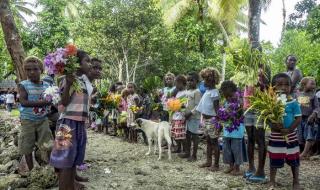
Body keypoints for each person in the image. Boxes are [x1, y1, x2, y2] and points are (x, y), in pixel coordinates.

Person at [50, 50, 92, 190]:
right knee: (64, 160)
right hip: (67, 124)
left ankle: (71, 186)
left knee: (73, 158)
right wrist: (68, 84)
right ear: (77, 64)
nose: (90, 64)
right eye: (87, 61)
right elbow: (63, 102)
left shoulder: (82, 81)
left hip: (79, 124)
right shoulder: (68, 79)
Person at [18, 56, 53, 171]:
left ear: (41, 70)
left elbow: (51, 100)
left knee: (48, 144)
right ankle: (32, 171)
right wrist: (42, 103)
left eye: (35, 69)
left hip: (43, 120)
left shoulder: (47, 86)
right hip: (27, 120)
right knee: (27, 146)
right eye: (28, 70)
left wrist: (52, 101)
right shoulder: (23, 85)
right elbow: (23, 102)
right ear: (25, 71)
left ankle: (50, 167)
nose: (31, 72)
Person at [268, 73, 301, 190]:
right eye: (279, 84)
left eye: (287, 84)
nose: (283, 87)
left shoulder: (293, 102)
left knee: (294, 159)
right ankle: (272, 181)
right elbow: (268, 119)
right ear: (272, 87)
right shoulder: (270, 103)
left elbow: (298, 118)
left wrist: (289, 129)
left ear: (291, 87)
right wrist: (274, 126)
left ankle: (296, 181)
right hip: (276, 136)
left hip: (291, 135)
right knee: (274, 158)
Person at [244, 64, 270, 183]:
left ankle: (260, 171)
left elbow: (270, 87)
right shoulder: (245, 67)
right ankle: (251, 167)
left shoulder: (265, 67)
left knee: (260, 139)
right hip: (248, 106)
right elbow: (244, 88)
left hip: (260, 107)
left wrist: (261, 85)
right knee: (250, 138)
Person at [220, 80, 247, 176]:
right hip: (227, 131)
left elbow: (240, 115)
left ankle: (237, 168)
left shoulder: (239, 102)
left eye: (230, 95)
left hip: (237, 131)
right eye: (226, 96)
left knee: (236, 149)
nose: (229, 98)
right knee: (227, 149)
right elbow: (222, 114)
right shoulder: (225, 102)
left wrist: (232, 112)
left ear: (234, 92)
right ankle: (230, 166)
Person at [196, 67, 221, 171]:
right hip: (206, 121)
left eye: (206, 80)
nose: (204, 82)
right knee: (209, 141)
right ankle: (208, 161)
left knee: (214, 142)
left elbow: (217, 109)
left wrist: (218, 122)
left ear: (212, 81)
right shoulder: (208, 91)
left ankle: (216, 164)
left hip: (212, 121)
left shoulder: (214, 92)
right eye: (204, 79)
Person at [179, 72, 201, 161]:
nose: (189, 82)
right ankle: (187, 152)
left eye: (192, 80)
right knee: (187, 135)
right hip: (187, 116)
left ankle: (194, 155)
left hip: (194, 117)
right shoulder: (188, 92)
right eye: (188, 80)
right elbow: (185, 103)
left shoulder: (197, 92)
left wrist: (190, 113)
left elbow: (198, 106)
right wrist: (183, 110)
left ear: (197, 81)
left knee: (194, 135)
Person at [296, 77, 319, 159]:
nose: (314, 85)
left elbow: (317, 107)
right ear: (304, 84)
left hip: (309, 119)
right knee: (299, 135)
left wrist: (313, 114)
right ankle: (302, 151)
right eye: (312, 83)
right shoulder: (298, 93)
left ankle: (304, 153)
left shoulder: (313, 96)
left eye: (314, 83)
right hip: (298, 118)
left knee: (309, 135)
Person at [171, 75, 187, 153]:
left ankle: (184, 149)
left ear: (181, 83)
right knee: (176, 133)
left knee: (181, 134)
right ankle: (178, 147)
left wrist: (180, 106)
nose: (175, 85)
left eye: (176, 83)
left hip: (181, 116)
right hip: (175, 115)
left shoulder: (186, 93)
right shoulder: (178, 92)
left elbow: (185, 105)